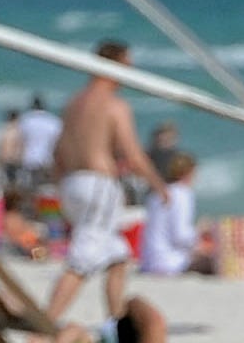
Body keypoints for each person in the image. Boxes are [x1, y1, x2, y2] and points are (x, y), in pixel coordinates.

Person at [41, 42, 161, 327]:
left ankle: (115, 326)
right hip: (98, 184)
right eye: (127, 67)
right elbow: (133, 154)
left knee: (118, 257)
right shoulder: (114, 105)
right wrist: (161, 187)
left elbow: (57, 152)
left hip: (72, 183)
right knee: (81, 260)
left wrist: (61, 187)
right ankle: (44, 325)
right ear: (115, 65)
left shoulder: (74, 103)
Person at [139, 150, 201, 277]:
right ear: (189, 173)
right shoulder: (183, 194)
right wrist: (200, 233)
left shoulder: (157, 194)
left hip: (148, 261)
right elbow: (181, 235)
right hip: (170, 262)